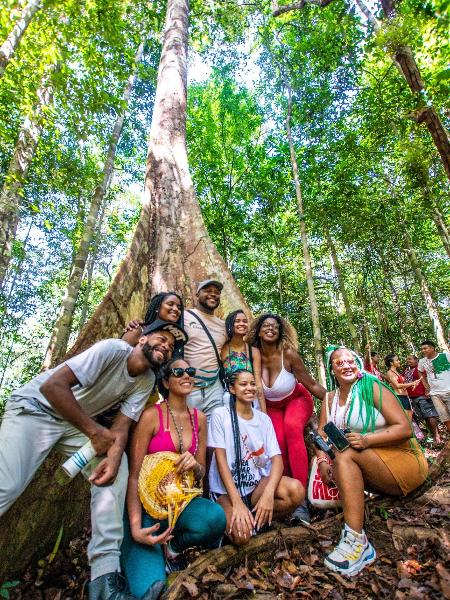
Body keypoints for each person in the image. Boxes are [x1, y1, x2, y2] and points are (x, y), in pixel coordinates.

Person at [0, 320, 188, 600]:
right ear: (142, 340)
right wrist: (94, 431)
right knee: (9, 484)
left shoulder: (146, 380)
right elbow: (52, 387)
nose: (166, 346)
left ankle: (104, 580)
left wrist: (112, 455)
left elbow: (122, 426)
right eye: (161, 339)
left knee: (116, 472)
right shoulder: (112, 350)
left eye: (171, 347)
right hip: (35, 409)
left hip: (70, 425)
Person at [317, 346, 428, 577]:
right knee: (341, 457)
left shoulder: (371, 387)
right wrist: (322, 461)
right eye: (339, 363)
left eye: (350, 361)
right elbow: (322, 436)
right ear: (332, 370)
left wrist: (367, 441)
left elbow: (405, 428)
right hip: (370, 466)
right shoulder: (329, 399)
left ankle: (357, 542)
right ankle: (355, 535)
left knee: (345, 455)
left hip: (402, 460)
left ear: (357, 364)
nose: (346, 365)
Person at [122, 358, 226, 598]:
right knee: (147, 589)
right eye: (178, 372)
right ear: (166, 381)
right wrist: (136, 527)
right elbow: (133, 476)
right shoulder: (151, 416)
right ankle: (145, 550)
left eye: (189, 371)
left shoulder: (198, 418)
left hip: (180, 505)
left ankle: (173, 547)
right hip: (148, 511)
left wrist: (195, 466)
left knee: (216, 519)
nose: (186, 375)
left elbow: (200, 473)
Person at [246, 313, 326, 524]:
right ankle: (286, 491)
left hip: (297, 399)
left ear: (280, 332)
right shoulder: (252, 356)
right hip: (270, 406)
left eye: (275, 326)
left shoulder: (288, 354)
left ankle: (300, 500)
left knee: (292, 428)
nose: (271, 329)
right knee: (277, 441)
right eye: (266, 326)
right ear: (258, 331)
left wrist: (338, 399)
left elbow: (312, 384)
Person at [208, 369, 303, 546]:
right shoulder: (220, 415)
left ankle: (255, 518)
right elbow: (220, 460)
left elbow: (277, 461)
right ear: (232, 389)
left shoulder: (263, 420)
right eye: (243, 384)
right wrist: (236, 502)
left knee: (296, 491)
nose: (250, 388)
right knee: (241, 537)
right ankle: (243, 521)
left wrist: (268, 494)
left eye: (253, 384)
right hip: (227, 492)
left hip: (255, 488)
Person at [183, 279, 227, 418]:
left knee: (214, 433)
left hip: (214, 387)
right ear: (197, 294)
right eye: (208, 291)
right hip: (188, 385)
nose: (213, 294)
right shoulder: (184, 316)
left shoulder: (223, 325)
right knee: (188, 432)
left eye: (217, 292)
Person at [221, 309, 266, 413]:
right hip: (228, 401)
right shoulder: (222, 349)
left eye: (245, 321)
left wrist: (264, 413)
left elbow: (258, 383)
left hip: (251, 401)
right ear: (230, 324)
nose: (242, 323)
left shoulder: (253, 351)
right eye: (237, 321)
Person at [404, 355, 441, 444]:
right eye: (407, 359)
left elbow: (428, 378)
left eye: (410, 359)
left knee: (429, 415)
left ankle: (437, 436)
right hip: (412, 397)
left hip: (422, 396)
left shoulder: (420, 368)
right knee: (424, 417)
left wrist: (428, 390)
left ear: (417, 360)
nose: (408, 360)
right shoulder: (407, 371)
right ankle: (432, 434)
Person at [418, 340, 450, 434]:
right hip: (435, 394)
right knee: (445, 418)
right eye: (422, 349)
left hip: (448, 390)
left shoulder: (446, 356)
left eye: (425, 348)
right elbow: (420, 372)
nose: (423, 350)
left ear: (432, 348)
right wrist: (426, 387)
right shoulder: (422, 361)